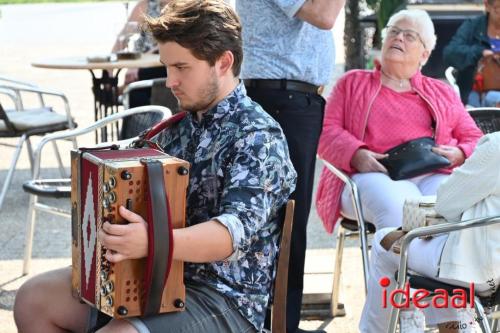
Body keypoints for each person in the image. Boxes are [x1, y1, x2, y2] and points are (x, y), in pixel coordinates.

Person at [13, 1, 297, 332]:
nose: (170, 81)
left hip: (223, 300)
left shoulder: (259, 137)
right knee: (32, 300)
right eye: (166, 67)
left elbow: (229, 235)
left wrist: (152, 242)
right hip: (151, 278)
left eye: (182, 67)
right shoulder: (175, 128)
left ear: (224, 62)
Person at [316, 9, 483, 236]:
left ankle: (431, 271)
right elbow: (325, 131)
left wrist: (461, 153)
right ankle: (394, 272)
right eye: (393, 32)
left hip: (433, 172)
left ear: (424, 55)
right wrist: (355, 153)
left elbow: (474, 138)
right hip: (369, 174)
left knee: (457, 209)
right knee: (401, 209)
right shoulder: (352, 83)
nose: (398, 37)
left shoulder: (441, 91)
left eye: (409, 35)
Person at [235, 2, 345, 332]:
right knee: (285, 224)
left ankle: (279, 322)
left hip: (289, 100)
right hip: (281, 101)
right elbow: (324, 16)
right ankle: (278, 324)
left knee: (286, 224)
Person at [360, 131, 500, 333]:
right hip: (490, 265)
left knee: (384, 241)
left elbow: (445, 203)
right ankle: (453, 328)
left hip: (481, 270)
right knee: (445, 243)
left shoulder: (495, 146)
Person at [111, 0, 170, 107]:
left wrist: (138, 67)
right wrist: (109, 69)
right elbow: (122, 38)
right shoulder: (146, 5)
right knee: (130, 86)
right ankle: (115, 90)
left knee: (136, 85)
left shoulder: (185, 6)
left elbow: (167, 42)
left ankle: (120, 91)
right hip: (142, 66)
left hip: (165, 64)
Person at [443, 0, 500, 107]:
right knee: (489, 98)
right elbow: (450, 53)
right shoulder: (473, 27)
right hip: (475, 93)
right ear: (487, 6)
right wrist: (479, 52)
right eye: (498, 8)